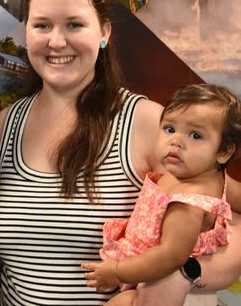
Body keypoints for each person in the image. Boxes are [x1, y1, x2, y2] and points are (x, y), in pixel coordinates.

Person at [0, 0, 241, 305]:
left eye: (75, 24)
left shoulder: (150, 123)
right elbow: (22, 246)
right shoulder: (5, 126)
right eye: (42, 25)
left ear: (104, 31)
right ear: (26, 32)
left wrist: (185, 273)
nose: (56, 41)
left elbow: (229, 215)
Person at [83, 84, 241, 305]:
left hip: (158, 284)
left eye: (195, 135)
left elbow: (170, 256)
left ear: (224, 151)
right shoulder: (198, 175)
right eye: (169, 129)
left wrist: (118, 272)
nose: (175, 141)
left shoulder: (188, 205)